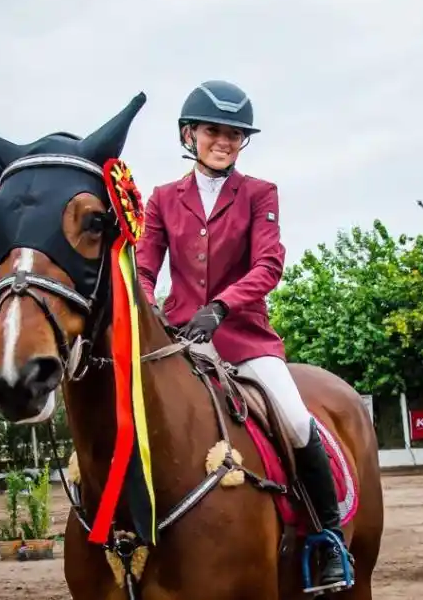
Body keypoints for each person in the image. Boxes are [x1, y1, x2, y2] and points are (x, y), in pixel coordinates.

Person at [135, 80, 352, 592]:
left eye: (235, 134)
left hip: (245, 339)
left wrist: (222, 306)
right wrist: (144, 302)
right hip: (181, 338)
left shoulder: (259, 193)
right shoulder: (163, 199)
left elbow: (269, 263)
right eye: (214, 131)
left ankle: (328, 539)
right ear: (189, 134)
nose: (225, 141)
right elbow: (145, 265)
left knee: (298, 422)